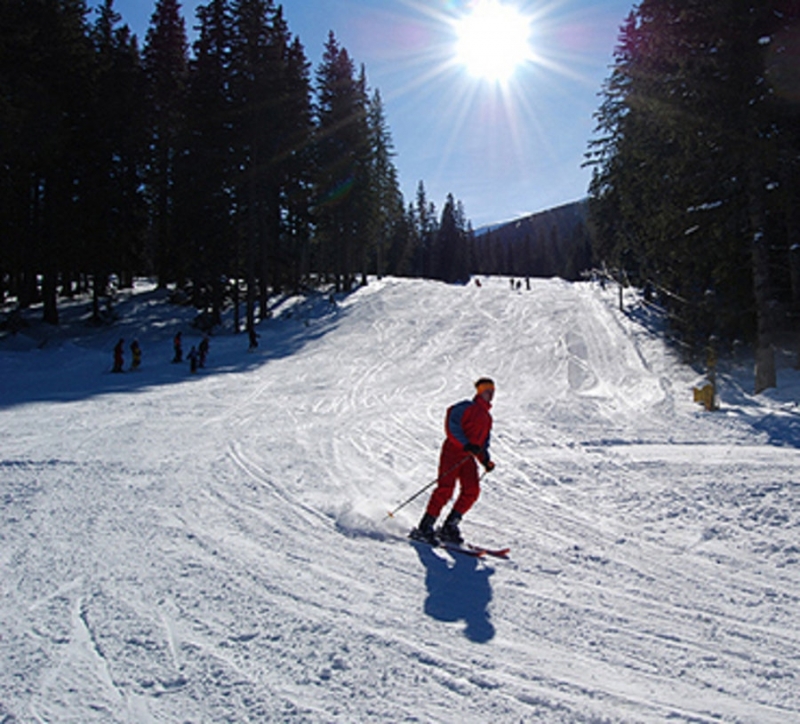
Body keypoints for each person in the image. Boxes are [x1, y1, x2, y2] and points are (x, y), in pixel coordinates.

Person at [411, 377, 496, 545]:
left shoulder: (487, 418)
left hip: (468, 457)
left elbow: (482, 444)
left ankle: (450, 526)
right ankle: (425, 526)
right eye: (487, 391)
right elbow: (452, 426)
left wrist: (485, 460)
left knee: (472, 490)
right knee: (446, 489)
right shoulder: (465, 407)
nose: (491, 395)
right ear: (479, 392)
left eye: (492, 392)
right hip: (453, 452)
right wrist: (465, 444)